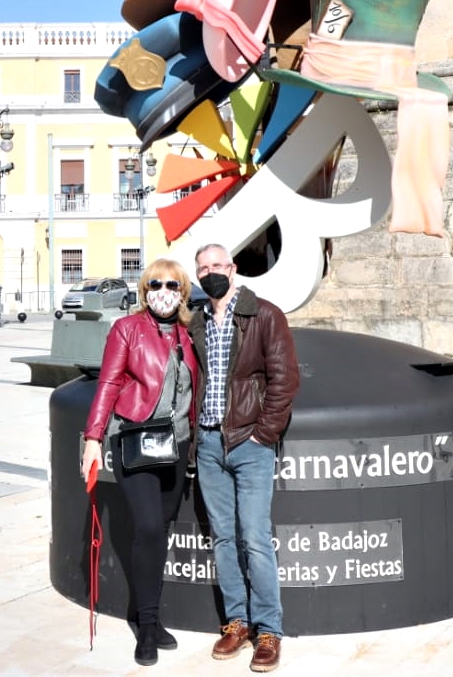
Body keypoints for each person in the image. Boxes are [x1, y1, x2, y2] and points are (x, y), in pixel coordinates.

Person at [80, 259, 200, 667]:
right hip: (136, 438)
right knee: (148, 527)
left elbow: (192, 395)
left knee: (160, 529)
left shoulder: (187, 335)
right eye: (154, 284)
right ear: (144, 289)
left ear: (182, 292)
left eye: (170, 285)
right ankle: (146, 626)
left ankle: (149, 613)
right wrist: (93, 438)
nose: (162, 291)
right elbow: (110, 382)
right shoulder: (126, 329)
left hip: (177, 445)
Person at [189, 243, 299, 674]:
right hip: (210, 444)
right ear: (198, 275)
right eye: (204, 268)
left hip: (249, 443)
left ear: (232, 269)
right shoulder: (197, 320)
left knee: (254, 537)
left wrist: (262, 436)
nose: (212, 272)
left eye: (218, 265)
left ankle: (268, 630)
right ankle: (236, 622)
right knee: (222, 537)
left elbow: (284, 380)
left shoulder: (263, 315)